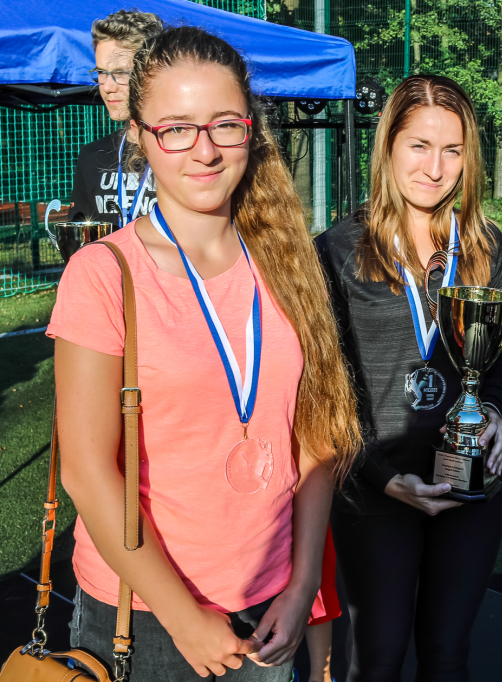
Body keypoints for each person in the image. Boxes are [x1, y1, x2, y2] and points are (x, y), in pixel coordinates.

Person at [48, 26, 361, 680]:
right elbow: (86, 471)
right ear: (138, 134)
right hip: (142, 616)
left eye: (225, 125)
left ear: (252, 128)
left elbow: (318, 435)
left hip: (272, 604)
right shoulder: (104, 276)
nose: (205, 150)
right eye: (176, 128)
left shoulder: (289, 260)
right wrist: (182, 616)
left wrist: (304, 584)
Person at [314, 74, 502, 682]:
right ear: (387, 147)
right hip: (375, 489)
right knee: (375, 661)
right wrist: (381, 478)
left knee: (447, 656)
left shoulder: (483, 244)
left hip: (470, 484)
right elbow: (326, 388)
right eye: (419, 146)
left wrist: (495, 412)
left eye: (452, 151)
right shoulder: (336, 250)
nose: (435, 168)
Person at [68, 10, 162, 225]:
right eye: (101, 72)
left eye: (121, 73)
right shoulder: (92, 156)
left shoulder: (185, 151)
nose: (107, 87)